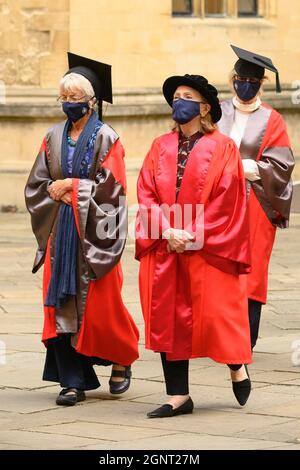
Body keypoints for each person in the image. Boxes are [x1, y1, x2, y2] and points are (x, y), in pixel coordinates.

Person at [25, 52, 139, 406]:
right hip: (61, 234)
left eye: (76, 98)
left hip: (93, 238)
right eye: (65, 98)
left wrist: (73, 187)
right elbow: (37, 184)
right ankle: (72, 382)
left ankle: (122, 357)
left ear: (92, 101)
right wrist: (52, 190)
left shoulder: (108, 138)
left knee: (103, 309)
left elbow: (114, 191)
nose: (70, 104)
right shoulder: (51, 136)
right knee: (58, 305)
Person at [135, 74, 252, 419]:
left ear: (204, 107)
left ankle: (237, 365)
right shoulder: (160, 145)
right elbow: (145, 192)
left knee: (216, 315)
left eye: (186, 96)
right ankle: (178, 396)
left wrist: (192, 233)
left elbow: (228, 198)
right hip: (166, 244)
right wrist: (167, 229)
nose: (178, 101)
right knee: (167, 317)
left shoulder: (224, 147)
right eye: (175, 96)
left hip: (205, 247)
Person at [218, 45, 295, 350]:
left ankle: (245, 339)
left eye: (252, 81)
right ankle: (219, 333)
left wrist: (249, 167)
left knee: (251, 268)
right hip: (220, 202)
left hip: (256, 203)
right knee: (219, 266)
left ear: (261, 84)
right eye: (240, 78)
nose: (245, 85)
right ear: (232, 79)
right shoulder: (218, 111)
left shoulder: (272, 119)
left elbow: (282, 163)